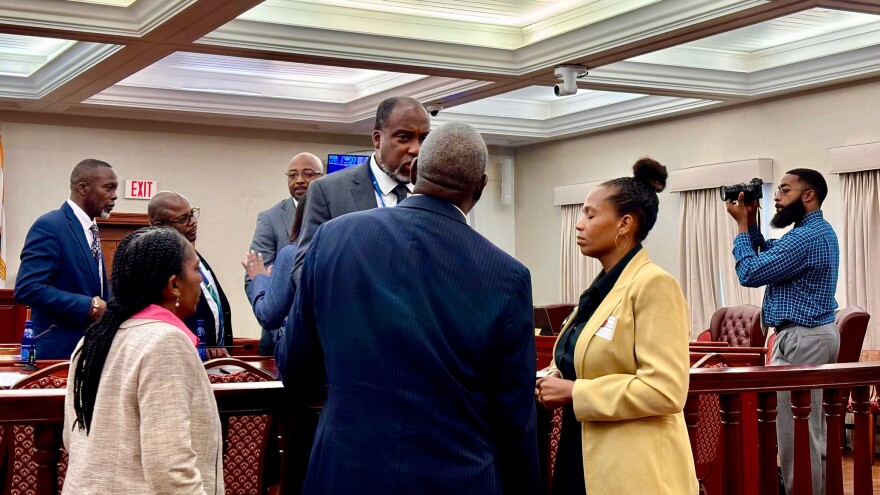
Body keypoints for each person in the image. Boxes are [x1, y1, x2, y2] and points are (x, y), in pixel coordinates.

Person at [283, 122, 539, 495]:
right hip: (458, 479)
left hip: (347, 472)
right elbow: (514, 417)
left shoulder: (334, 238)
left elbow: (297, 371)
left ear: (415, 170)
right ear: (481, 187)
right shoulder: (507, 276)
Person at [536, 158, 698, 495]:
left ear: (624, 224)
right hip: (581, 451)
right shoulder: (601, 289)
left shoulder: (654, 285)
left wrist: (574, 392)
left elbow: (665, 390)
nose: (579, 225)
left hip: (634, 469)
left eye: (590, 215)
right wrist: (553, 375)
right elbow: (582, 359)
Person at [62, 226, 223, 494]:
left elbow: (73, 439)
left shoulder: (91, 340)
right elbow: (170, 469)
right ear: (174, 285)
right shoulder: (165, 342)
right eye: (196, 270)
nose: (200, 280)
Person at [726, 168, 839, 495]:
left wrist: (741, 227)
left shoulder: (805, 237)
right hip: (810, 335)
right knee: (809, 434)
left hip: (803, 338)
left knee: (796, 438)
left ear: (809, 195)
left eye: (785, 190)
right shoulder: (812, 232)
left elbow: (751, 272)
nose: (776, 196)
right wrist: (751, 223)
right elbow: (770, 256)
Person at [291, 96, 430, 286]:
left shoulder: (434, 193)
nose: (416, 149)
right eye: (404, 137)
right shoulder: (328, 191)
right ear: (377, 139)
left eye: (423, 139)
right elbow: (303, 272)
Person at [14, 159, 117, 359]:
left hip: (91, 350)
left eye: (115, 188)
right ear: (83, 188)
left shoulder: (91, 229)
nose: (114, 195)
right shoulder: (51, 225)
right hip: (57, 354)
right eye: (108, 188)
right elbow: (27, 288)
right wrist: (88, 306)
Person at [248, 153, 323, 355]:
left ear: (322, 177)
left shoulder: (338, 213)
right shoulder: (269, 218)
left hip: (326, 337)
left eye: (308, 174)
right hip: (279, 339)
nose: (299, 180)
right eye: (292, 175)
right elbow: (256, 273)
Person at [148, 191, 232, 358]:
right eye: (183, 219)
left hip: (217, 359)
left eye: (192, 214)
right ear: (159, 225)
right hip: (185, 354)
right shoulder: (158, 267)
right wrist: (200, 347)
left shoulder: (193, 257)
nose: (193, 222)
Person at [243, 194, 306, 342]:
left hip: (297, 346)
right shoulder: (270, 217)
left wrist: (260, 278)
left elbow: (268, 316)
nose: (299, 182)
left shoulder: (290, 255)